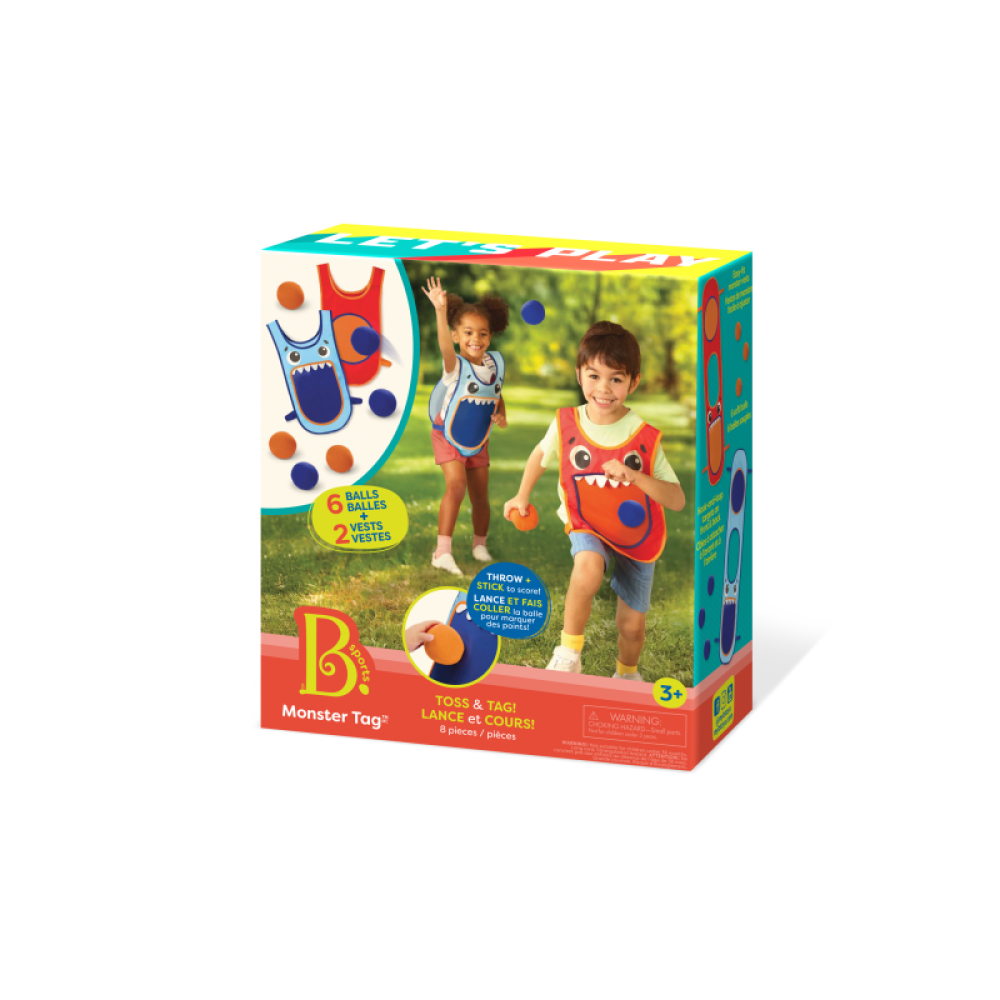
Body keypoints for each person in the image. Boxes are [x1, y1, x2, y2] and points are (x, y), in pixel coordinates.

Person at [504, 322, 685, 681]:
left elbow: (677, 499)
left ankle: (627, 674)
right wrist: (522, 495)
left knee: (631, 626)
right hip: (588, 522)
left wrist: (635, 476)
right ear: (579, 375)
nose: (603, 388)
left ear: (633, 382)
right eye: (594, 376)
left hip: (636, 535)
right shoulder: (565, 422)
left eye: (616, 379)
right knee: (586, 567)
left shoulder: (644, 437)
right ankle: (568, 652)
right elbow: (540, 455)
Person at [422, 276, 508, 576]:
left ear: (490, 337)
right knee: (456, 486)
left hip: (477, 439)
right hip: (447, 435)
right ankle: (442, 553)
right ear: (457, 336)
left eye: (483, 333)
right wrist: (440, 310)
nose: (476, 338)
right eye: (468, 332)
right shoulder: (455, 366)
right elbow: (444, 347)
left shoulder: (494, 365)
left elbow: (496, 393)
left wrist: (502, 414)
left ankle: (479, 545)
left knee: (480, 496)